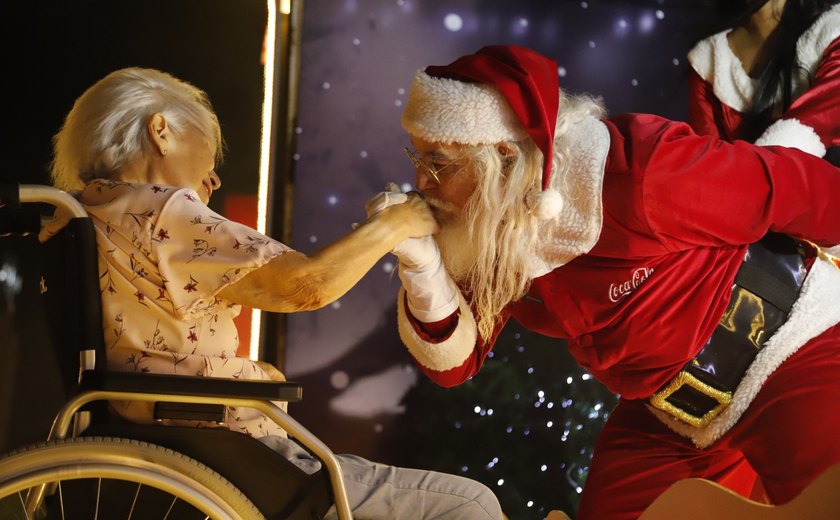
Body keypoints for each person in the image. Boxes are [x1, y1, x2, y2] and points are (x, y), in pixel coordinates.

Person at [373, 45, 840, 519]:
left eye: (438, 163)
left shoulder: (641, 174)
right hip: (673, 417)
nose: (420, 181)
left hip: (791, 354)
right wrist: (424, 267)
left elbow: (803, 190)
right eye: (418, 156)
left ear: (504, 159)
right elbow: (455, 363)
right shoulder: (490, 229)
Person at [44, 67, 504, 520]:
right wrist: (396, 224)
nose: (213, 177)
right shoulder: (161, 211)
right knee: (470, 503)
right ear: (160, 131)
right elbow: (305, 286)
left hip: (146, 435)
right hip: (220, 447)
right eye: (208, 151)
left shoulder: (83, 214)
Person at [688, 0, 840, 259]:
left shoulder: (831, 31)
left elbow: (813, 128)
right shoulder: (709, 60)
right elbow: (709, 167)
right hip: (754, 245)